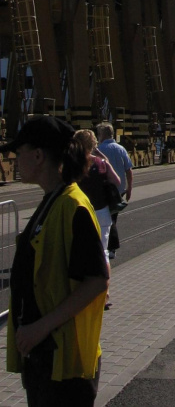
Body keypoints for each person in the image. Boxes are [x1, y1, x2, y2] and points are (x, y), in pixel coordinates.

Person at [2, 116, 108, 406]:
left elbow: (98, 280)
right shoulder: (53, 200)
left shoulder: (72, 206)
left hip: (64, 363)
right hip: (45, 357)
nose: (14, 158)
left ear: (38, 156)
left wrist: (40, 327)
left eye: (19, 151)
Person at [74, 129, 120, 310]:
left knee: (80, 253)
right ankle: (105, 295)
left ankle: (82, 294)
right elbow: (116, 181)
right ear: (93, 144)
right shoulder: (101, 163)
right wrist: (102, 158)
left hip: (81, 214)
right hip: (102, 213)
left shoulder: (73, 165)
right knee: (103, 254)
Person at [95, 122, 133, 259]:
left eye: (98, 134)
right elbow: (129, 170)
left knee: (106, 220)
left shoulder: (99, 149)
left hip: (104, 190)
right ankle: (110, 248)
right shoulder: (121, 148)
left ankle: (109, 247)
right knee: (112, 218)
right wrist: (129, 188)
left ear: (102, 135)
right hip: (119, 190)